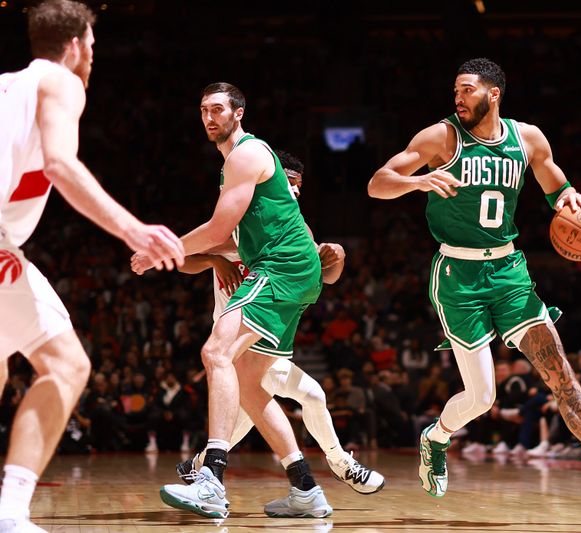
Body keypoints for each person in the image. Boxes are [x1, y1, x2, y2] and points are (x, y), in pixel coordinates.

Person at [368, 57, 581, 513]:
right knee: (482, 396)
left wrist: (570, 198)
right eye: (455, 91)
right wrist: (420, 181)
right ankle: (437, 435)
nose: (458, 98)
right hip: (457, 276)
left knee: (560, 373)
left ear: (493, 93)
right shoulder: (441, 137)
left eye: (466, 90)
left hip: (509, 273)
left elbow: (555, 188)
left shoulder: (526, 139)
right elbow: (378, 183)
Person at [132, 84, 382, 519]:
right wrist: (206, 257)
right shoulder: (241, 165)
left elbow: (215, 229)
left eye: (217, 109)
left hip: (280, 272)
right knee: (251, 385)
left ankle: (209, 479)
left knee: (215, 352)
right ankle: (305, 488)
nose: (209, 117)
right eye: (203, 110)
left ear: (239, 113)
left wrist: (159, 249)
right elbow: (218, 241)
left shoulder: (245, 156)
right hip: (291, 275)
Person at [0, 2, 185, 531]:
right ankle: (10, 513)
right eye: (93, 48)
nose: (93, 59)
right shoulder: (60, 81)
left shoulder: (5, 86)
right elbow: (61, 164)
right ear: (76, 45)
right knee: (68, 366)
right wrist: (135, 230)